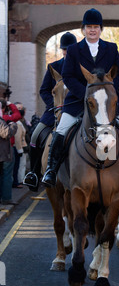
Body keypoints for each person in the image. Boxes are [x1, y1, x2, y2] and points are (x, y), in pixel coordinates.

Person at [42, 8, 119, 187]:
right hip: (78, 100)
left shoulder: (112, 48)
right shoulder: (75, 49)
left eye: (96, 27)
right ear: (83, 29)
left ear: (101, 29)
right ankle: (51, 170)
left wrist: (106, 92)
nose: (92, 30)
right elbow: (67, 76)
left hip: (107, 101)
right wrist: (86, 93)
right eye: (89, 27)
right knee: (61, 130)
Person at [23, 32, 77, 190]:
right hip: (54, 110)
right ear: (62, 50)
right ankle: (34, 174)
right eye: (65, 49)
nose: (67, 52)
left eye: (70, 49)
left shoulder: (82, 67)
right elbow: (44, 90)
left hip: (76, 110)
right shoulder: (54, 67)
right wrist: (52, 104)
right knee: (35, 135)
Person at [0, 99, 21, 204]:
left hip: (5, 150)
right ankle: (6, 198)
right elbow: (17, 116)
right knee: (7, 175)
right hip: (6, 150)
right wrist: (11, 105)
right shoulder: (4, 118)